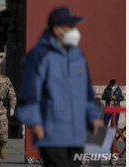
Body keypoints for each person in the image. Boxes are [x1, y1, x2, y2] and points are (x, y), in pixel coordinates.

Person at [15, 7, 104, 167]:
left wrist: (94, 117)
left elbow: (87, 94)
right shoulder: (39, 56)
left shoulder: (78, 56)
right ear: (57, 30)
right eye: (70, 27)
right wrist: (35, 123)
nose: (75, 32)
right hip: (51, 133)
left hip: (77, 133)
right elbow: (28, 94)